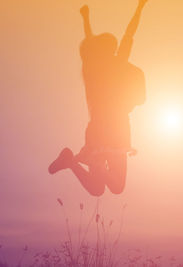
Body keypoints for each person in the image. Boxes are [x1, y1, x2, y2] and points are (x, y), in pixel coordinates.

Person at [48, 0, 148, 196]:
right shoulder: (118, 64)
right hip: (116, 129)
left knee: (96, 189)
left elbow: (90, 38)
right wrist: (139, 8)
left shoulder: (92, 71)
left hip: (95, 131)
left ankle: (70, 162)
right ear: (111, 49)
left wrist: (85, 18)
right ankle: (93, 167)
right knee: (117, 187)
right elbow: (129, 33)